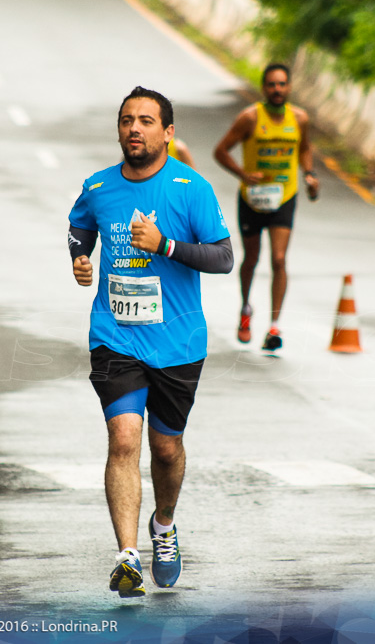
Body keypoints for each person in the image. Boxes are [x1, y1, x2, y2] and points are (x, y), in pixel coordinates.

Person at [68, 86, 233, 598]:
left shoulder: (191, 188)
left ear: (167, 132)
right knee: (123, 442)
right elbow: (79, 228)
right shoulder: (98, 187)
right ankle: (127, 555)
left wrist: (164, 245)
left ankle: (163, 527)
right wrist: (79, 258)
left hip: (179, 343)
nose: (134, 128)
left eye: (145, 121)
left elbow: (223, 257)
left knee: (165, 449)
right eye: (126, 120)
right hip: (115, 336)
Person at [213, 63, 319, 352]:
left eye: (282, 84)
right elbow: (220, 151)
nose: (277, 89)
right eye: (272, 84)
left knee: (280, 259)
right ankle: (246, 309)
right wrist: (242, 174)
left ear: (289, 87)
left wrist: (309, 174)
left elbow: (306, 147)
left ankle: (274, 326)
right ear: (264, 88)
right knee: (251, 258)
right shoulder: (249, 118)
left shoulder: (299, 118)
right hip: (252, 198)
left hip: (284, 196)